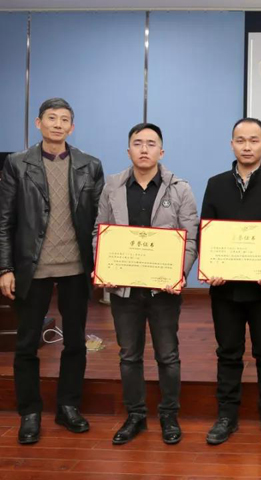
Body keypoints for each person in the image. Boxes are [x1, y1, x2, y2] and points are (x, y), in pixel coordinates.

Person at [0, 98, 104, 444]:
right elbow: (4, 220)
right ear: (38, 123)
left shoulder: (90, 165)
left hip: (76, 266)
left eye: (64, 120)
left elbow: (100, 222)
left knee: (75, 341)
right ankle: (30, 413)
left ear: (72, 127)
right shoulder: (17, 164)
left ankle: (68, 407)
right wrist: (5, 267)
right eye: (51, 118)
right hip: (32, 267)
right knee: (27, 343)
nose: (58, 124)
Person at [94, 123, 198, 445]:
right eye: (137, 143)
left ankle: (169, 415)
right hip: (123, 290)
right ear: (128, 151)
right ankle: (135, 415)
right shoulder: (112, 186)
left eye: (151, 143)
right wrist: (103, 267)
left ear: (161, 151)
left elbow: (190, 238)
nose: (144, 149)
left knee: (167, 355)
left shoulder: (180, 189)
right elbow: (100, 231)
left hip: (163, 290)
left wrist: (177, 274)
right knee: (129, 355)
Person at [201, 118, 261, 445]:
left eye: (253, 140)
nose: (247, 146)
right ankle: (226, 416)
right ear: (232, 144)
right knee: (228, 352)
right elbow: (208, 231)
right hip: (224, 288)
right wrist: (210, 266)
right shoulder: (216, 184)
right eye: (240, 140)